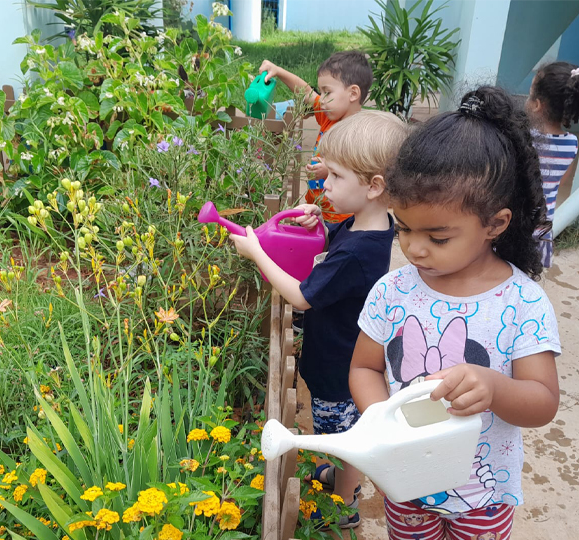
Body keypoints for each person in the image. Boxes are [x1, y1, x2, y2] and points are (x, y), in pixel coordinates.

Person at [350, 87, 561, 540]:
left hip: (483, 494)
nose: (414, 248)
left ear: (495, 224)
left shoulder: (521, 303)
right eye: (403, 228)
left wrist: (494, 385)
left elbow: (542, 402)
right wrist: (387, 422)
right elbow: (364, 367)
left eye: (438, 237)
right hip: (406, 488)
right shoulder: (392, 291)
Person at [230, 111, 409, 529]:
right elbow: (339, 242)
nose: (324, 185)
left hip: (339, 368)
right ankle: (342, 481)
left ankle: (344, 504)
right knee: (348, 433)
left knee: (342, 439)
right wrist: (323, 228)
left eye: (335, 177)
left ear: (373, 186)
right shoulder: (371, 225)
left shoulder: (354, 255)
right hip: (346, 351)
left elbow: (300, 296)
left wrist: (257, 251)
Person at [259, 50, 373, 223]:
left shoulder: (360, 133)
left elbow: (363, 176)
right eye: (321, 92)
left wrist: (329, 171)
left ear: (353, 93)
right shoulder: (329, 116)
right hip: (317, 211)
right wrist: (278, 71)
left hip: (342, 219)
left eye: (327, 92)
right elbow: (306, 93)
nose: (322, 99)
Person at [526, 61, 579, 267]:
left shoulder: (522, 138)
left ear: (537, 104)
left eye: (530, 93)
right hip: (541, 225)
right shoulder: (571, 144)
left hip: (516, 222)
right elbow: (560, 180)